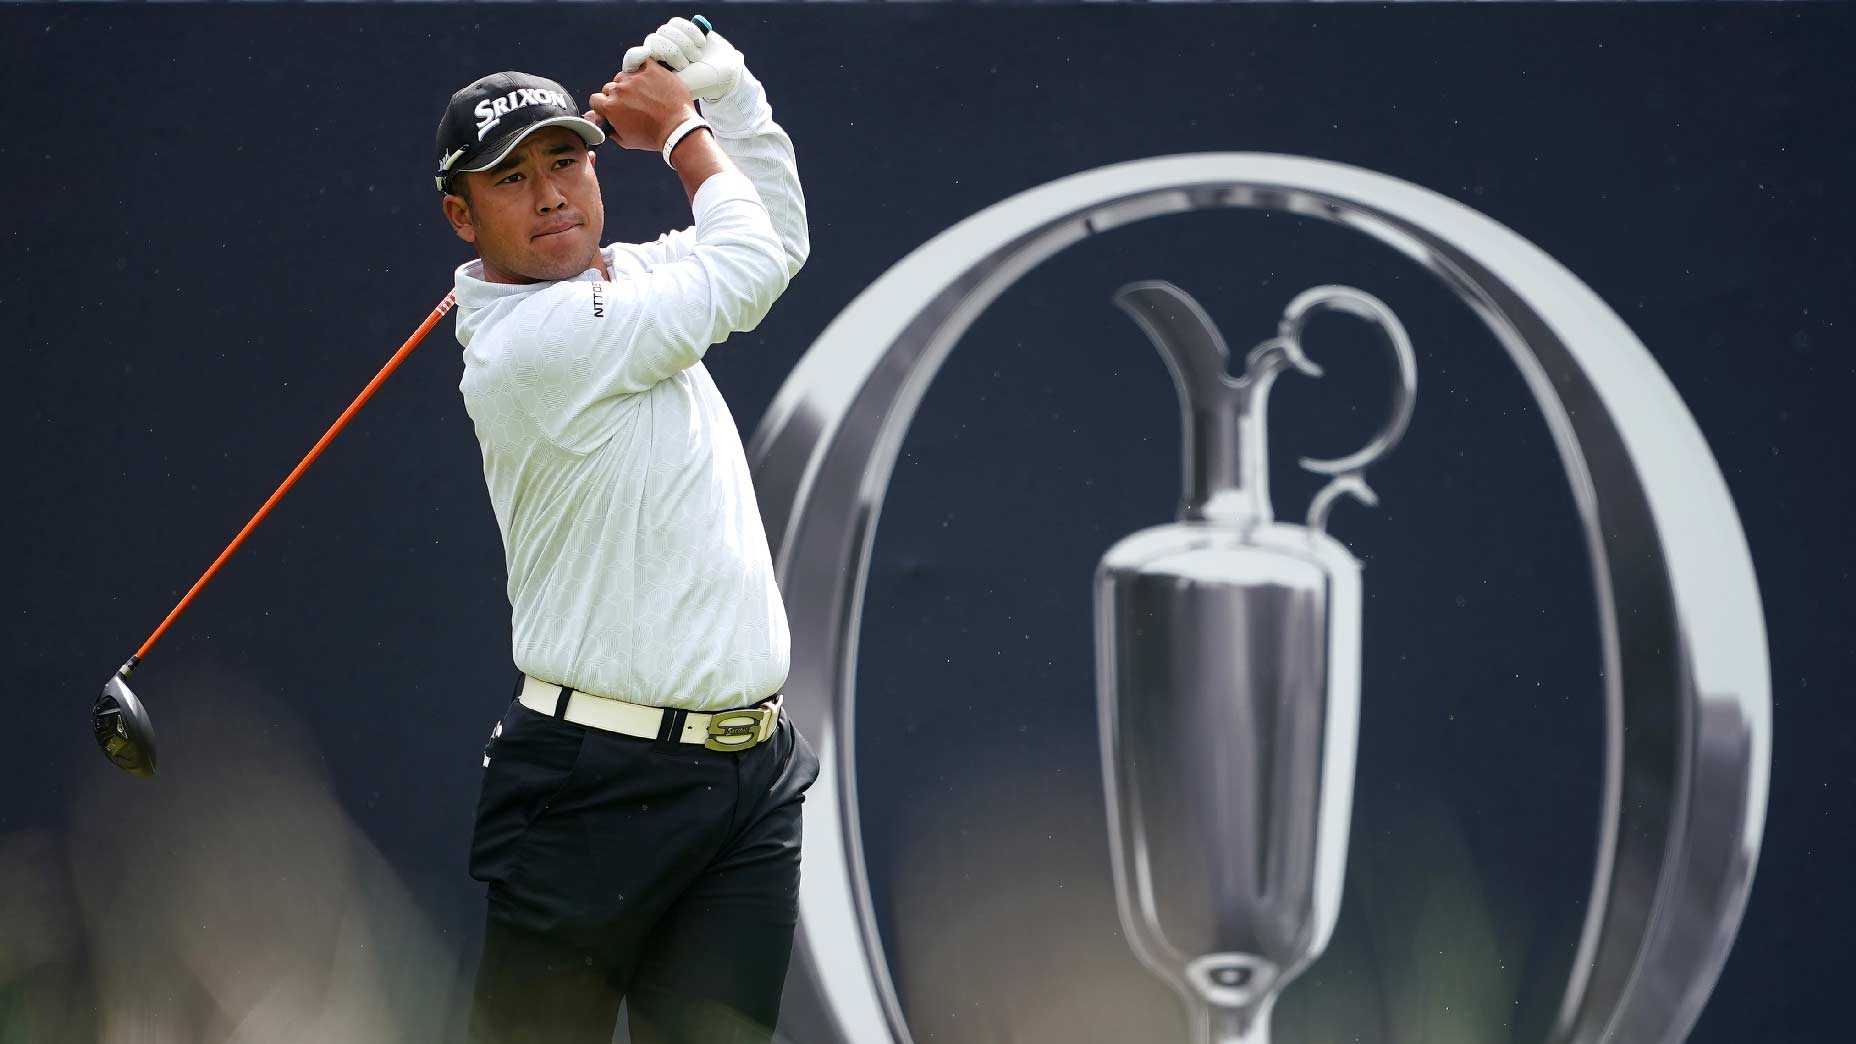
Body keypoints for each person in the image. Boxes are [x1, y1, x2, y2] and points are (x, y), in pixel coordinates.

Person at [431, 16, 815, 1044]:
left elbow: (773, 238)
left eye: (565, 160)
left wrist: (730, 95)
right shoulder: (534, 346)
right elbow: (744, 271)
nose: (550, 192)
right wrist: (687, 130)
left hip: (749, 784)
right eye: (509, 179)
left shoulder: (626, 283)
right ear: (460, 218)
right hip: (592, 790)